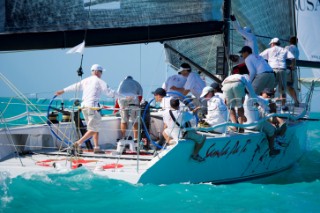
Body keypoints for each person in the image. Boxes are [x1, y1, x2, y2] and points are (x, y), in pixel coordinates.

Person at [55, 64, 116, 154]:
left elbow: (74, 86)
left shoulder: (85, 81)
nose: (101, 74)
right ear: (96, 72)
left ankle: (96, 147)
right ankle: (77, 143)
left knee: (94, 127)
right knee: (93, 128)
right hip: (93, 107)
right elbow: (110, 93)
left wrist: (63, 91)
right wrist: (124, 96)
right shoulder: (99, 81)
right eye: (101, 72)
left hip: (84, 107)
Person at [260, 38, 295, 110]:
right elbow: (293, 58)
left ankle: (269, 105)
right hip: (282, 70)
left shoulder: (269, 50)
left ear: (272, 44)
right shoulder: (284, 50)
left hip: (273, 70)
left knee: (269, 88)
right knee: (283, 89)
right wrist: (292, 66)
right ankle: (283, 106)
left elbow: (259, 57)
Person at [117, 76, 143, 142]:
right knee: (134, 119)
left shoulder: (122, 82)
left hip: (122, 99)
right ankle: (136, 138)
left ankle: (123, 137)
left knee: (124, 119)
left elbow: (117, 93)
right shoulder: (136, 82)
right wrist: (139, 104)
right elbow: (140, 94)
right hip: (133, 98)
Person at [285, 36, 300, 106]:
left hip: (287, 70)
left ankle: (284, 102)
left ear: (290, 41)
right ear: (296, 42)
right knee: (289, 86)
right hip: (292, 71)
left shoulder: (287, 48)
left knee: (286, 86)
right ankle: (296, 100)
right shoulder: (297, 49)